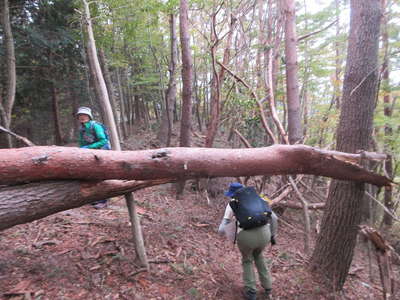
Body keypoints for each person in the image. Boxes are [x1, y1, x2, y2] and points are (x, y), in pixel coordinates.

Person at [218, 182, 278, 300]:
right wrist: (272, 236)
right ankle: (268, 287)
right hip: (265, 233)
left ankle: (251, 292)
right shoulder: (259, 197)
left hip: (247, 237)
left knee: (247, 261)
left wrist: (225, 232)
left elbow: (221, 228)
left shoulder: (232, 204)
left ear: (232, 194)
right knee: (259, 256)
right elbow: (274, 218)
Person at [76, 106, 111, 209]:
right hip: (90, 153)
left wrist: (88, 147)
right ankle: (95, 198)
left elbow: (103, 140)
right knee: (90, 175)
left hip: (102, 152)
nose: (82, 117)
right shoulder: (81, 129)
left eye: (84, 115)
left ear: (89, 116)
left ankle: (103, 201)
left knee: (101, 176)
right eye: (80, 115)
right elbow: (82, 143)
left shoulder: (95, 126)